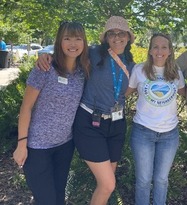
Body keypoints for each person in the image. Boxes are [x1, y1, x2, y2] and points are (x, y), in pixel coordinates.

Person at [36, 16, 135, 205]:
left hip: (116, 126)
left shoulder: (131, 64)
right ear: (105, 37)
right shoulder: (93, 54)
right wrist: (45, 54)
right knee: (107, 184)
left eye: (121, 33)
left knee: (107, 183)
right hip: (90, 123)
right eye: (112, 33)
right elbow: (69, 51)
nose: (117, 37)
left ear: (128, 37)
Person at [13, 21, 90, 205]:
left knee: (58, 198)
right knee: (46, 200)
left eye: (78, 39)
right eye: (67, 38)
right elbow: (26, 108)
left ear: (84, 42)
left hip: (64, 145)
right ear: (59, 41)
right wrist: (21, 144)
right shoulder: (45, 68)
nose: (73, 43)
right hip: (37, 147)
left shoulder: (82, 71)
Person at [125, 33, 186, 205]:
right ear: (150, 50)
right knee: (144, 180)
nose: (159, 51)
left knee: (161, 180)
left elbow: (183, 93)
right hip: (143, 132)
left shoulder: (176, 73)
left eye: (164, 47)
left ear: (170, 51)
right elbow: (124, 93)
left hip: (169, 135)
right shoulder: (139, 70)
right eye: (155, 47)